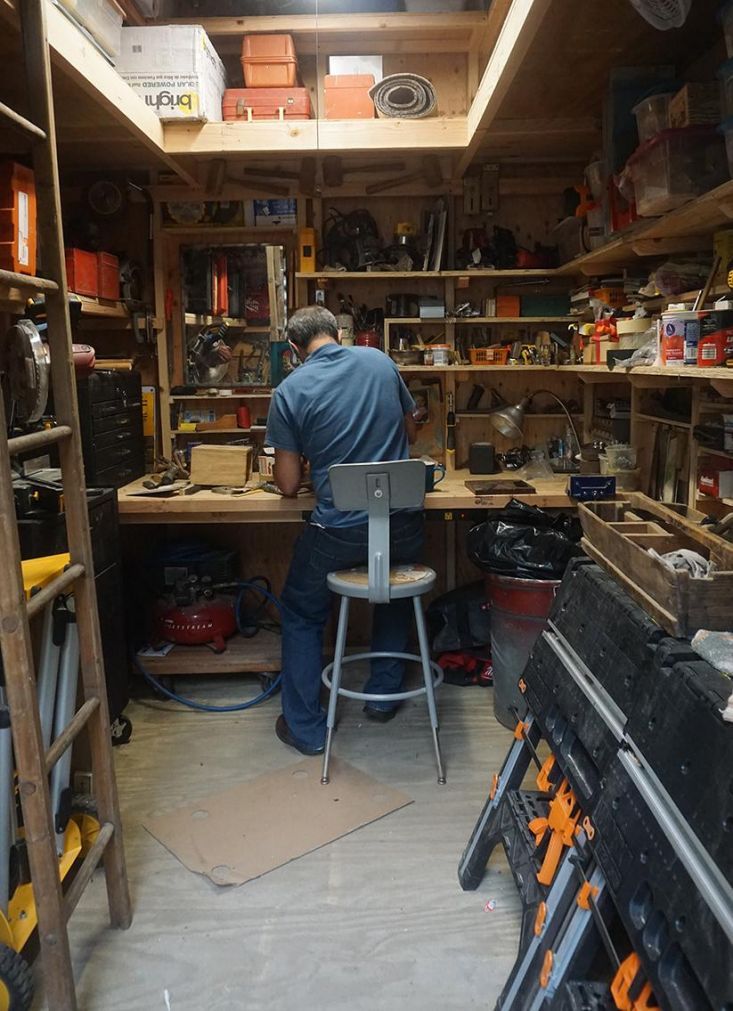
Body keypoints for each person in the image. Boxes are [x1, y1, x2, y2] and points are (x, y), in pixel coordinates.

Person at [266, 306, 422, 756]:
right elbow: (410, 434)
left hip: (337, 534)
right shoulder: (380, 362)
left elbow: (290, 485)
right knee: (390, 584)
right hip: (403, 526)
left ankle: (308, 730)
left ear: (295, 350)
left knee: (300, 612)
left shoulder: (290, 389)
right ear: (339, 333)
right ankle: (381, 697)